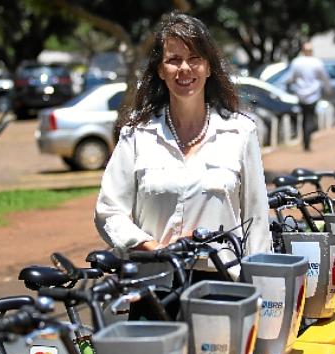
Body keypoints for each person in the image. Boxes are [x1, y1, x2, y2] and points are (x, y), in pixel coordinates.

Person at [94, 12, 272, 278]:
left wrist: (262, 291)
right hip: (154, 282)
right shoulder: (137, 134)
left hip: (221, 285)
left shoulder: (240, 132)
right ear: (160, 70)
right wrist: (155, 250)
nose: (185, 69)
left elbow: (256, 222)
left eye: (194, 59)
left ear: (209, 67)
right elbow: (108, 212)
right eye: (173, 60)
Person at [287, 41, 331, 151]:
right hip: (313, 94)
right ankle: (308, 137)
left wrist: (290, 84)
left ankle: (306, 142)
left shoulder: (297, 62)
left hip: (301, 94)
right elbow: (325, 78)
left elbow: (291, 78)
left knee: (305, 118)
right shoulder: (317, 63)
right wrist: (328, 89)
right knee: (310, 117)